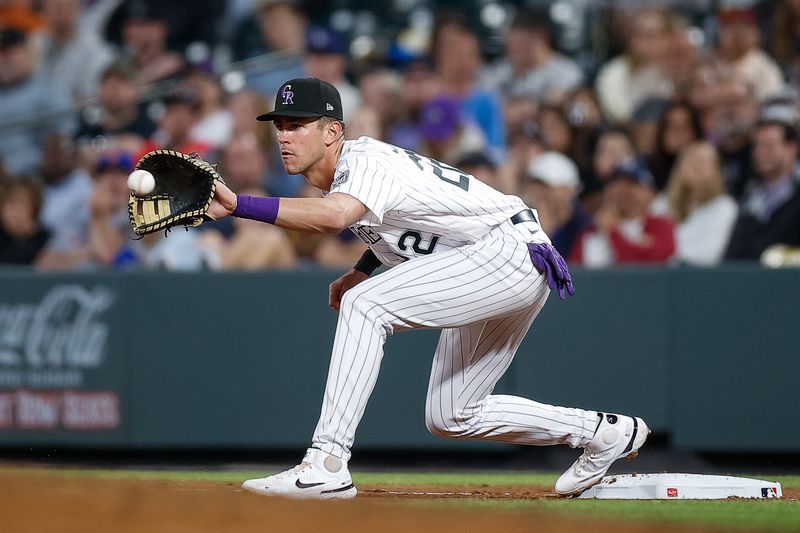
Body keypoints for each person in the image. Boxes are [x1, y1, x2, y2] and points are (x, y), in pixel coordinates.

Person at [206, 77, 650, 499]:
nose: (284, 137)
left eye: (297, 126)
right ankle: (603, 432)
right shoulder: (350, 173)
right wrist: (361, 270)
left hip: (503, 249)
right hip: (501, 254)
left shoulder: (361, 161)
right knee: (452, 414)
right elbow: (401, 223)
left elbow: (336, 218)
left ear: (332, 132)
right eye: (280, 127)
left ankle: (327, 462)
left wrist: (239, 204)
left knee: (365, 307)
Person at [571, 159, 676, 267]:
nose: (621, 190)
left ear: (650, 192)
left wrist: (613, 232)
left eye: (631, 183)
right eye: (614, 183)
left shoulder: (661, 226)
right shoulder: (589, 232)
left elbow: (645, 269)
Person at [725, 120, 800, 260]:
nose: (760, 152)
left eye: (769, 145)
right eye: (757, 146)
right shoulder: (745, 196)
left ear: (792, 148)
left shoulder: (796, 196)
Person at [661, 141, 738, 266]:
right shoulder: (661, 204)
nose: (697, 166)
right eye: (691, 160)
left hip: (700, 279)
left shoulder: (725, 207)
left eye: (704, 161)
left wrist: (668, 256)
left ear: (717, 170)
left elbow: (710, 255)